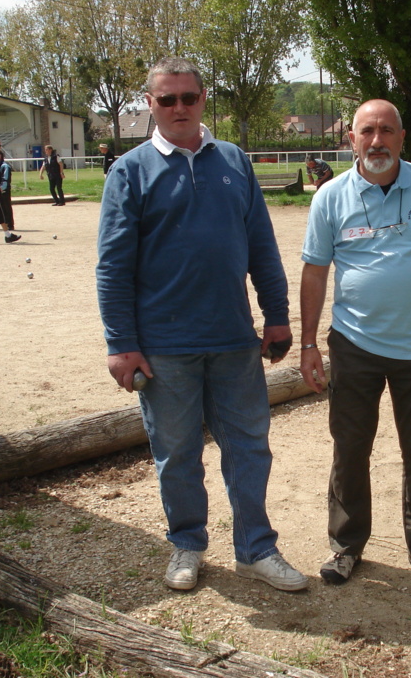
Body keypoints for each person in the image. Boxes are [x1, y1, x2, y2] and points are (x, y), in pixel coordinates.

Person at [96, 57, 307, 593]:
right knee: (177, 455)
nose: (179, 108)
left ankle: (256, 548)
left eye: (188, 97)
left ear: (203, 98)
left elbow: (261, 243)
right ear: (151, 104)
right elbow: (113, 266)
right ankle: (187, 544)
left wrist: (277, 316)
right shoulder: (129, 171)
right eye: (167, 99)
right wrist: (122, 345)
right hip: (164, 348)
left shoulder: (233, 160)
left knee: (250, 448)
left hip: (234, 339)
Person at [299, 98, 411, 588]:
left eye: (386, 130)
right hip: (354, 346)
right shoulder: (330, 197)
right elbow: (315, 272)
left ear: (404, 138)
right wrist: (308, 344)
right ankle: (345, 546)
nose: (376, 140)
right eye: (367, 131)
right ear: (352, 139)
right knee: (350, 447)